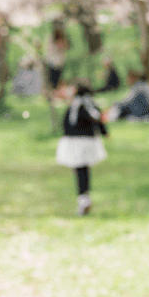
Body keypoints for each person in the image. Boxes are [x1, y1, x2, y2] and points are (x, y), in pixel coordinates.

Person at [56, 81, 108, 216]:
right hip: (85, 141)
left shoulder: (79, 105)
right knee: (83, 169)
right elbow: (98, 118)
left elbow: (93, 118)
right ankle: (84, 197)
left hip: (77, 142)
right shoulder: (88, 104)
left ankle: (83, 198)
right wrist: (104, 132)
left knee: (80, 169)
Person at [44, 23, 70, 90]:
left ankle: (56, 91)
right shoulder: (51, 37)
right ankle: (53, 91)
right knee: (53, 80)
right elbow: (51, 49)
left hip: (60, 63)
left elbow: (66, 46)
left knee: (58, 79)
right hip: (53, 62)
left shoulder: (63, 37)